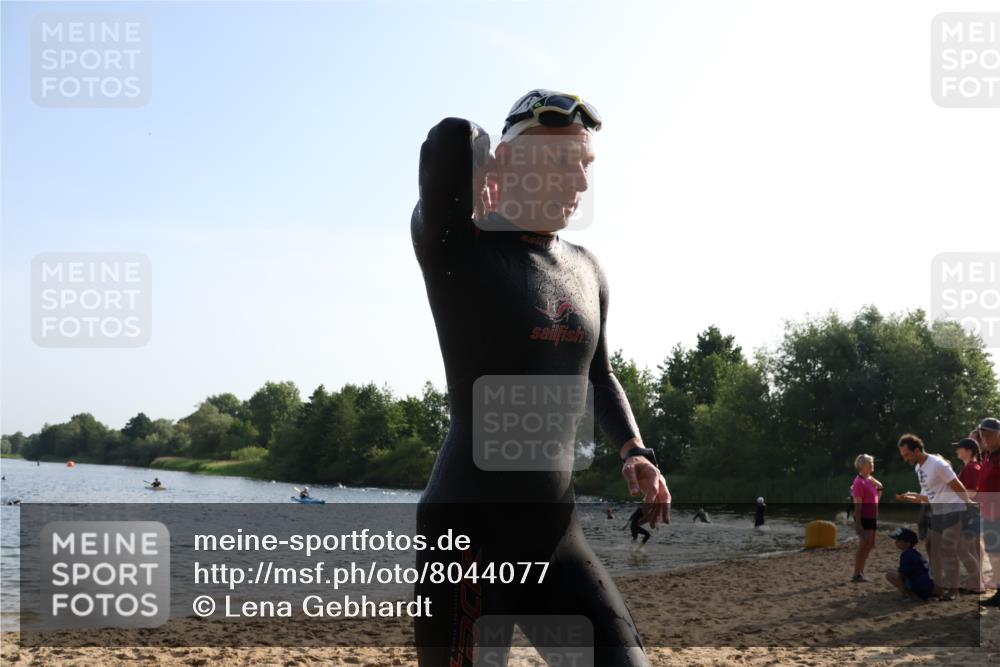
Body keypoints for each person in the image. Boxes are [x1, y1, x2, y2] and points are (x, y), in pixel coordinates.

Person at [411, 90, 670, 666]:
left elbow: (598, 375)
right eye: (559, 162)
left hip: (554, 535)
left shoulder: (586, 269)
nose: (578, 180)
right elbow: (447, 140)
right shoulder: (461, 250)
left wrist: (633, 450)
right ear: (505, 164)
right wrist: (486, 159)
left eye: (584, 165)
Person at [896, 433, 975, 600]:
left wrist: (968, 505)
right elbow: (929, 495)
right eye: (903, 456)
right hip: (937, 512)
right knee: (931, 545)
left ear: (917, 450)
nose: (905, 458)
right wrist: (911, 496)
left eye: (907, 454)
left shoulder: (937, 464)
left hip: (954, 509)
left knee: (948, 548)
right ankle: (938, 586)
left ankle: (953, 590)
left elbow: (957, 485)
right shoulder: (918, 468)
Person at [955, 437, 987, 594]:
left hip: (971, 513)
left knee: (962, 548)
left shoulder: (971, 468)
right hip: (974, 512)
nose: (956, 450)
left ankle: (977, 582)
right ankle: (976, 581)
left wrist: (951, 493)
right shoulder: (973, 467)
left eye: (959, 448)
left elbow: (973, 493)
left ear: (968, 451)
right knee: (971, 548)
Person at [976, 417, 1000, 607]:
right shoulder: (988, 456)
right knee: (993, 551)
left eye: (990, 434)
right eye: (983, 435)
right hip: (988, 510)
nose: (986, 438)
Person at [884, 527, 942, 602]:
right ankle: (916, 594)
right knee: (893, 571)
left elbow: (901, 575)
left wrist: (903, 592)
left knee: (889, 575)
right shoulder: (915, 553)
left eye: (898, 540)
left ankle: (913, 596)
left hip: (921, 588)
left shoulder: (906, 555)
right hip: (929, 586)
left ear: (907, 543)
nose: (895, 542)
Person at [851, 454, 883, 583]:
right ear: (864, 466)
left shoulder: (869, 479)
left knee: (870, 544)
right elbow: (857, 504)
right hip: (864, 517)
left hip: (872, 516)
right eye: (871, 463)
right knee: (864, 545)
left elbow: (880, 488)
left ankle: (860, 572)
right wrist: (858, 524)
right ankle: (856, 574)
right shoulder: (859, 482)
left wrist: (877, 484)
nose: (873, 465)